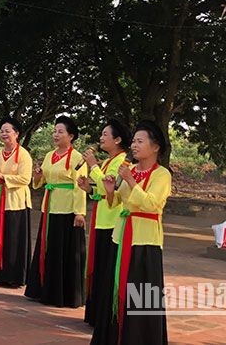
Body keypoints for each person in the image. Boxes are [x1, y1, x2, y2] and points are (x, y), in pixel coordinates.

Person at [91, 120, 170, 345]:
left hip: (145, 241)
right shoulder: (132, 170)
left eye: (140, 141)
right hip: (121, 235)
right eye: (133, 141)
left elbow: (152, 204)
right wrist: (109, 191)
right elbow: (117, 201)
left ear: (155, 147)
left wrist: (130, 181)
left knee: (142, 294)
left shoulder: (162, 175)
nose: (134, 145)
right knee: (115, 287)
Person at [25, 115, 88, 307]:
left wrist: (79, 212)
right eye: (55, 131)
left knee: (64, 250)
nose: (56, 134)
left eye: (60, 131)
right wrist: (37, 176)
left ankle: (64, 294)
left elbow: (80, 185)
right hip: (49, 205)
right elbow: (40, 182)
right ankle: (44, 288)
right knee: (48, 247)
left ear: (71, 136)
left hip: (67, 208)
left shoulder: (77, 158)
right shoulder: (49, 155)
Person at [78, 119, 131, 327]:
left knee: (107, 270)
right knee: (99, 268)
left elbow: (111, 189)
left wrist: (93, 166)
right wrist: (89, 189)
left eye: (105, 135)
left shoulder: (121, 162)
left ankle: (105, 315)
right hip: (101, 219)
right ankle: (96, 314)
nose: (101, 138)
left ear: (117, 140)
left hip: (112, 221)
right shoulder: (109, 161)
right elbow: (101, 190)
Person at [0, 116, 32, 287]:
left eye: (7, 131)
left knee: (13, 238)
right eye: (1, 131)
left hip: (15, 202)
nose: (4, 134)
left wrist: (3, 176)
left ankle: (13, 275)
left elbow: (25, 179)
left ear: (16, 134)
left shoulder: (23, 154)